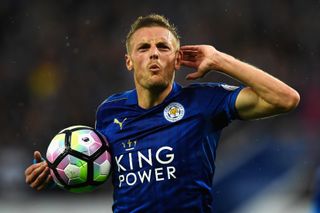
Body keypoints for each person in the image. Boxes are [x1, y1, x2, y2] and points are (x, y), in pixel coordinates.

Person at [25, 14, 300, 212]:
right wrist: (58, 174)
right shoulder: (110, 112)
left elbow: (285, 99)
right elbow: (103, 171)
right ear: (129, 62)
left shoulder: (203, 101)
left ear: (178, 58)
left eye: (163, 47)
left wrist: (219, 60)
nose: (153, 54)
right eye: (144, 48)